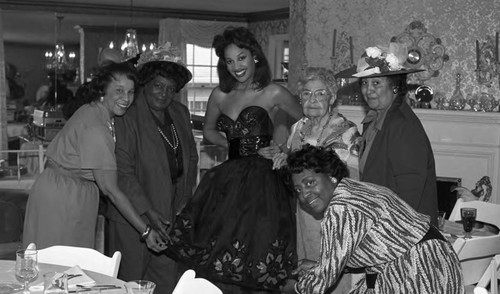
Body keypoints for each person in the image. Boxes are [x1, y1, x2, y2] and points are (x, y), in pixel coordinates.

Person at [165, 26, 303, 293]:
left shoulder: (273, 92)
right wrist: (233, 144)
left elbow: (307, 124)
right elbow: (208, 131)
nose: (236, 66)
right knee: (216, 251)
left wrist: (283, 150)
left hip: (264, 183)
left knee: (258, 251)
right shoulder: (219, 95)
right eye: (229, 60)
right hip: (227, 180)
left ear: (255, 56)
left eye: (241, 57)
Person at [23, 62, 165, 253]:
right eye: (119, 91)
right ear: (103, 90)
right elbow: (111, 190)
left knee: (61, 264)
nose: (126, 98)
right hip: (64, 197)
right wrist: (146, 231)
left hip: (61, 188)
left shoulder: (94, 109)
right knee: (59, 265)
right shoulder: (97, 128)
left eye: (131, 92)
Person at [282, 145, 464, 294]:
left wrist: (292, 288)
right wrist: (321, 266)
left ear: (331, 176)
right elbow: (358, 251)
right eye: (298, 190)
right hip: (430, 260)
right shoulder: (353, 190)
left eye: (310, 182)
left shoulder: (341, 207)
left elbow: (323, 279)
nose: (304, 194)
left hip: (419, 271)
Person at [106, 43, 198, 293]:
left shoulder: (179, 112)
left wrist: (183, 202)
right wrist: (147, 210)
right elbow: (123, 172)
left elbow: (191, 159)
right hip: (132, 214)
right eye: (158, 85)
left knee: (165, 280)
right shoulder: (128, 114)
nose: (164, 94)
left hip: (169, 212)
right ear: (145, 84)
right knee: (130, 280)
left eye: (170, 89)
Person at [273, 67, 361, 262]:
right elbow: (295, 165)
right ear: (300, 99)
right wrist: (282, 159)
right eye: (306, 93)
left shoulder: (346, 131)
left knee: (330, 268)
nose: (312, 99)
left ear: (331, 98)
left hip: (334, 214)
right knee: (306, 264)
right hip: (304, 210)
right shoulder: (298, 128)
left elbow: (354, 177)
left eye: (320, 93)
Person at [354, 44, 439, 225]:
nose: (368, 90)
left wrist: (392, 231)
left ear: (394, 88)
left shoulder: (402, 125)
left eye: (376, 83)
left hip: (402, 228)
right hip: (380, 220)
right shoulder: (373, 120)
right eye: (364, 83)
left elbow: (410, 190)